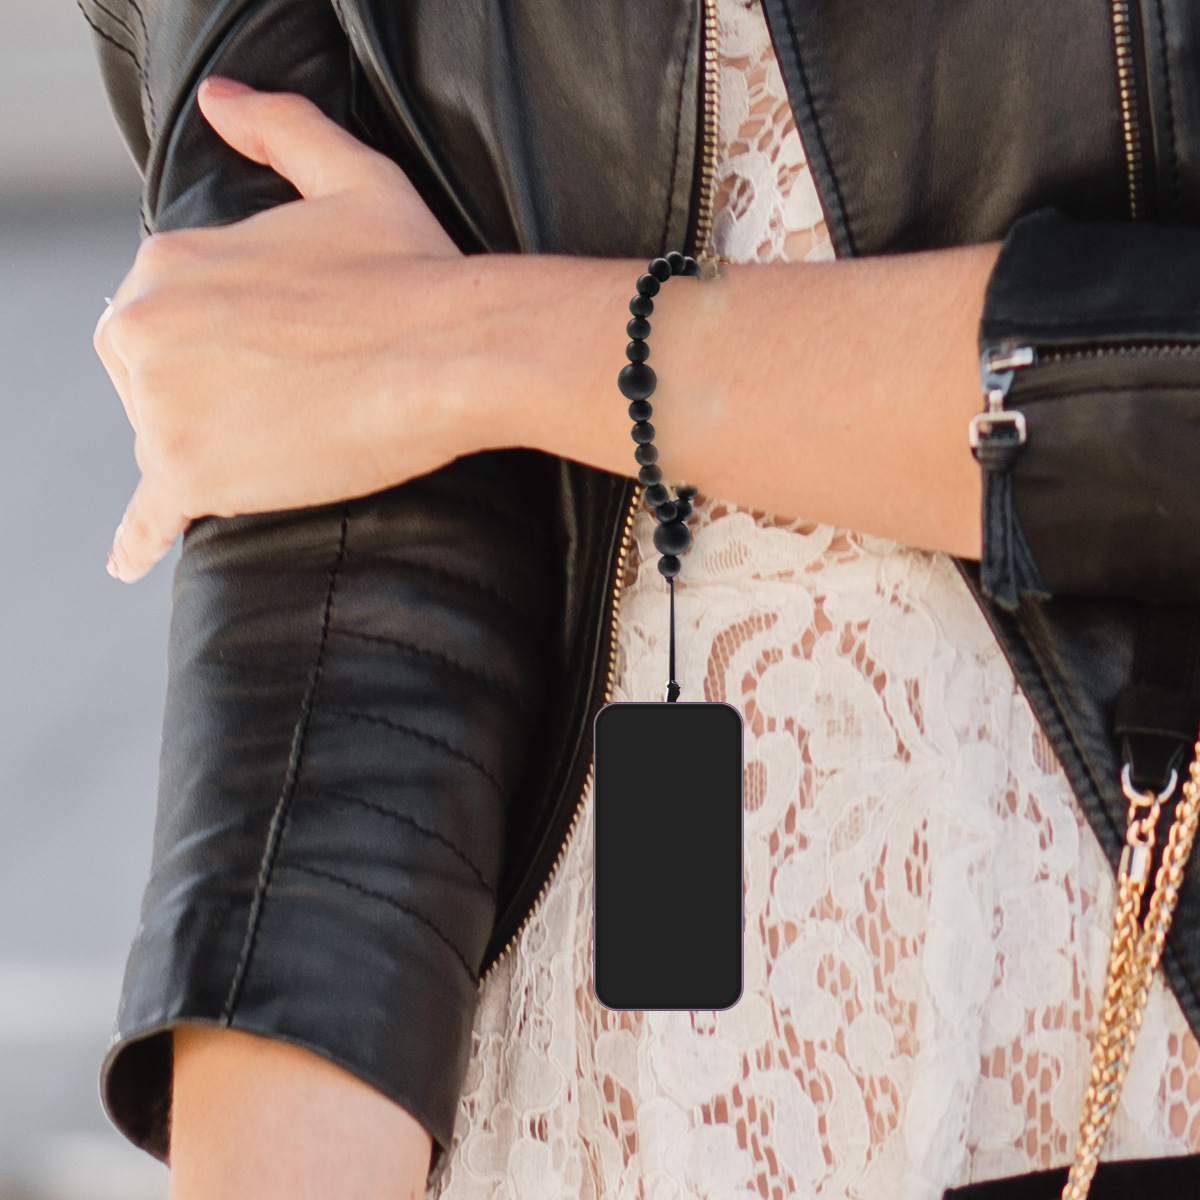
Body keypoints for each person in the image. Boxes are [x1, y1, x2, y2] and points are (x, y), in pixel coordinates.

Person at [82, 0, 1200, 1196]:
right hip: (569, 1076)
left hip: (1105, 980)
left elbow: (372, 349)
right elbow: (331, 540)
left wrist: (485, 346)